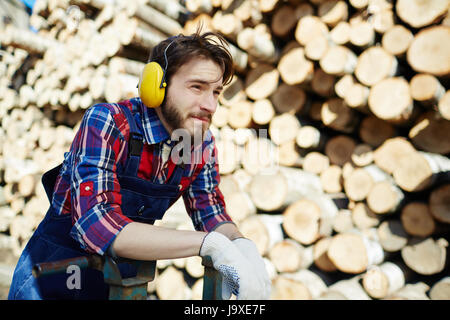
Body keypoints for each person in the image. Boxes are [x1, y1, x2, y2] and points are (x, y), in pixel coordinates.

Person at [8, 30, 271, 300]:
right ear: (156, 86)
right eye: (197, 87)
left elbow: (211, 215)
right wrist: (210, 245)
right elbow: (98, 226)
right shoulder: (108, 122)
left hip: (117, 285)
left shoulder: (199, 144)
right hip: (53, 280)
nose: (211, 105)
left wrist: (240, 245)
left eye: (216, 92)